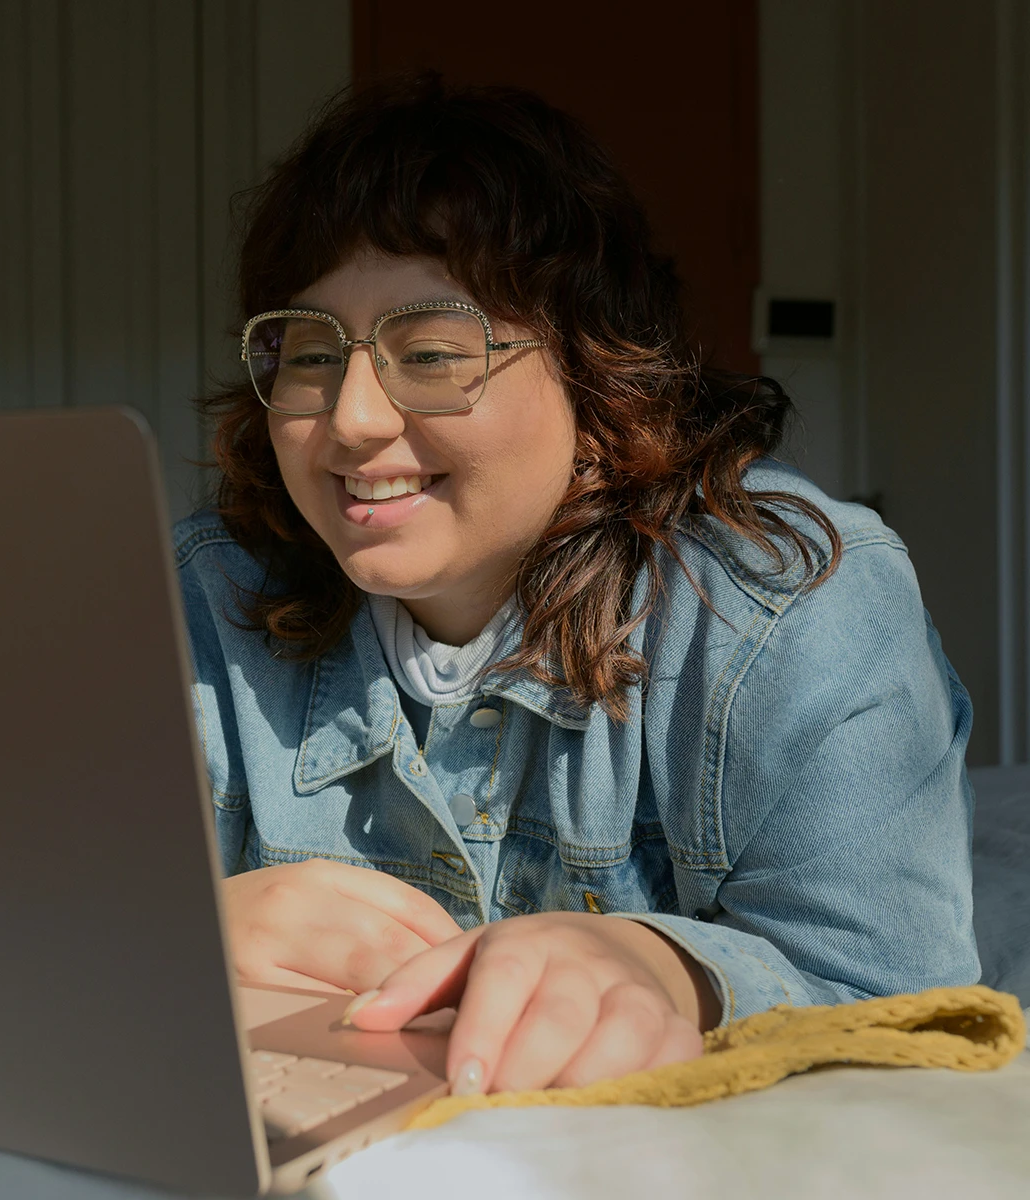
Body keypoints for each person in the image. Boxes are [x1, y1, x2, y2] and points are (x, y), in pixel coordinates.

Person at [174, 75, 978, 1099]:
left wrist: (673, 970)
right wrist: (171, 934)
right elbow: (18, 922)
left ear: (596, 374)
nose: (352, 419)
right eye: (311, 353)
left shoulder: (796, 606)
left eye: (433, 352)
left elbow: (907, 1014)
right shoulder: (199, 601)